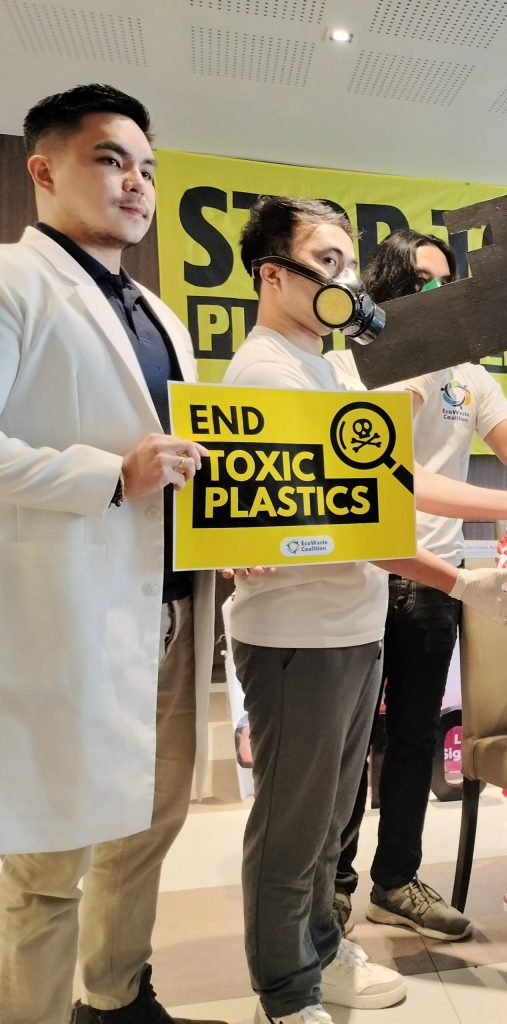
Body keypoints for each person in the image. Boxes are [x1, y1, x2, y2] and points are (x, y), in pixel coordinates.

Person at [224, 196, 507, 1024]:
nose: (345, 280)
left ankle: (323, 954)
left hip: (348, 625)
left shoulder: (323, 367)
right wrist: (452, 578)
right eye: (326, 263)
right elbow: (358, 521)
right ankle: (286, 990)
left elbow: (389, 485)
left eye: (345, 262)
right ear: (273, 274)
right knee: (294, 828)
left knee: (333, 814)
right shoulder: (267, 372)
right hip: (298, 632)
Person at [0, 85, 220, 1024]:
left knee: (150, 823)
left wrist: (231, 534)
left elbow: (189, 459)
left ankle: (115, 995)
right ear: (43, 171)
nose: (135, 181)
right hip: (65, 612)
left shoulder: (161, 316)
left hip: (170, 610)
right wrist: (106, 476)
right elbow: (128, 468)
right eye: (108, 159)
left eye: (146, 166)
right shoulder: (12, 284)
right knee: (47, 864)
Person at [327, 229, 507, 942]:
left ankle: (394, 881)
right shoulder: (353, 368)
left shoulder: (468, 374)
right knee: (351, 738)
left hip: (437, 580)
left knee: (413, 738)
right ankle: (332, 888)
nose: (439, 294)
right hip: (366, 572)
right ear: (388, 287)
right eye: (422, 280)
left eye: (446, 281)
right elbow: (396, 482)